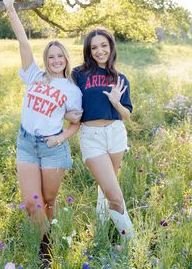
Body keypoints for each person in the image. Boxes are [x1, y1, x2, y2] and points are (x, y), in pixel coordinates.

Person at [1, 0, 83, 263]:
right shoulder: (34, 76)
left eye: (60, 56)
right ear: (46, 60)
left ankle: (53, 231)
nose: (56, 60)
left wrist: (60, 139)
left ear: (65, 59)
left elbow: (75, 124)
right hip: (26, 143)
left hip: (52, 149)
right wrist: (10, 9)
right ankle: (45, 249)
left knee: (49, 199)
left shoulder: (71, 89)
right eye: (51, 56)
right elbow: (23, 43)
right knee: (32, 202)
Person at [71, 27, 134, 239]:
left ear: (111, 47)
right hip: (91, 136)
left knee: (108, 183)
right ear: (89, 50)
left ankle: (102, 224)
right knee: (115, 194)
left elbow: (127, 114)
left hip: (116, 134)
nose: (99, 51)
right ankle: (131, 242)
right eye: (94, 47)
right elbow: (68, 100)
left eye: (104, 46)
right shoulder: (79, 74)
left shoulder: (120, 78)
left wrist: (116, 102)